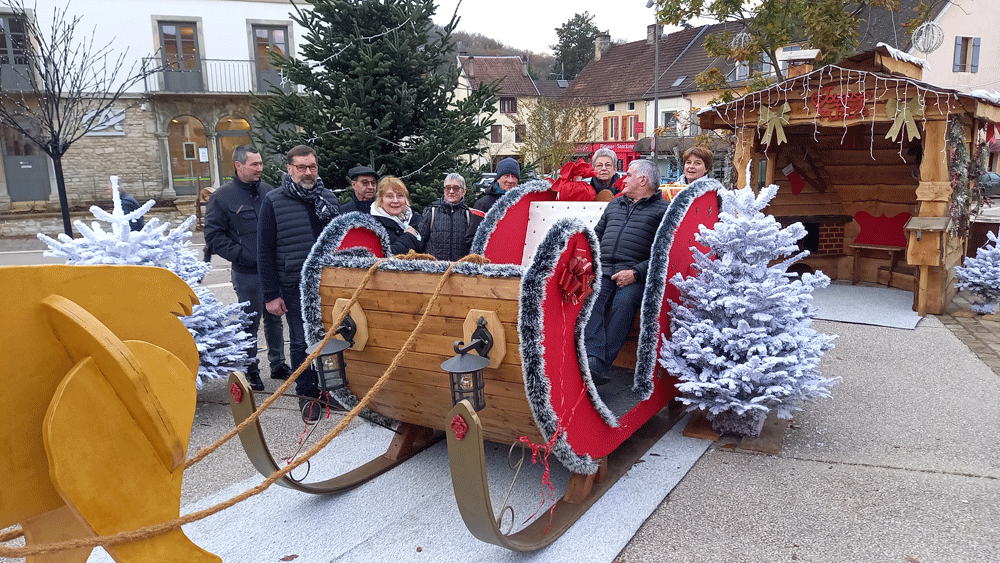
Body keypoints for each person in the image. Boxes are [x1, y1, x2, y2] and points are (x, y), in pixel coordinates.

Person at [258, 145, 341, 422]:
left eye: (312, 167)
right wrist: (271, 294)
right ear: (290, 169)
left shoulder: (328, 198)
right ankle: (307, 396)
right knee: (299, 340)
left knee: (330, 340)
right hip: (294, 284)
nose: (308, 172)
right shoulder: (274, 200)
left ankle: (331, 391)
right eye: (302, 167)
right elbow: (264, 250)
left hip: (328, 284)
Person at [204, 145, 291, 392]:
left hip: (272, 271)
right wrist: (242, 255)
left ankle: (278, 364)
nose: (260, 168)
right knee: (249, 322)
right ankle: (251, 369)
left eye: (261, 163)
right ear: (238, 165)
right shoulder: (222, 197)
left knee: (275, 319)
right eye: (255, 164)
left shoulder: (269, 193)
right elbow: (213, 235)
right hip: (247, 273)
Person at [585, 159, 670, 385]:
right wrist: (591, 263)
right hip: (603, 270)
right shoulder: (615, 204)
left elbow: (664, 252)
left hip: (634, 275)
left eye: (629, 175)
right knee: (592, 300)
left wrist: (636, 273)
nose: (624, 179)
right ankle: (592, 359)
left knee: (624, 305)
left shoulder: (663, 210)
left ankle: (601, 365)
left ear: (642, 180)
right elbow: (595, 236)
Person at [465, 157, 520, 248]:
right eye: (506, 176)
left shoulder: (523, 203)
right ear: (498, 178)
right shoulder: (483, 205)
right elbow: (471, 239)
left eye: (514, 176)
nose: (510, 180)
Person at [417, 173, 472, 261]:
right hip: (434, 270)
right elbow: (419, 242)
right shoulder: (432, 212)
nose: (451, 191)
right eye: (447, 188)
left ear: (464, 191)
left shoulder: (468, 215)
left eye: (456, 188)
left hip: (459, 271)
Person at [371, 176, 423, 255]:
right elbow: (382, 256)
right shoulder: (372, 224)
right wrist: (408, 237)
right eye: (389, 196)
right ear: (381, 200)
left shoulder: (417, 219)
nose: (395, 200)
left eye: (400, 196)